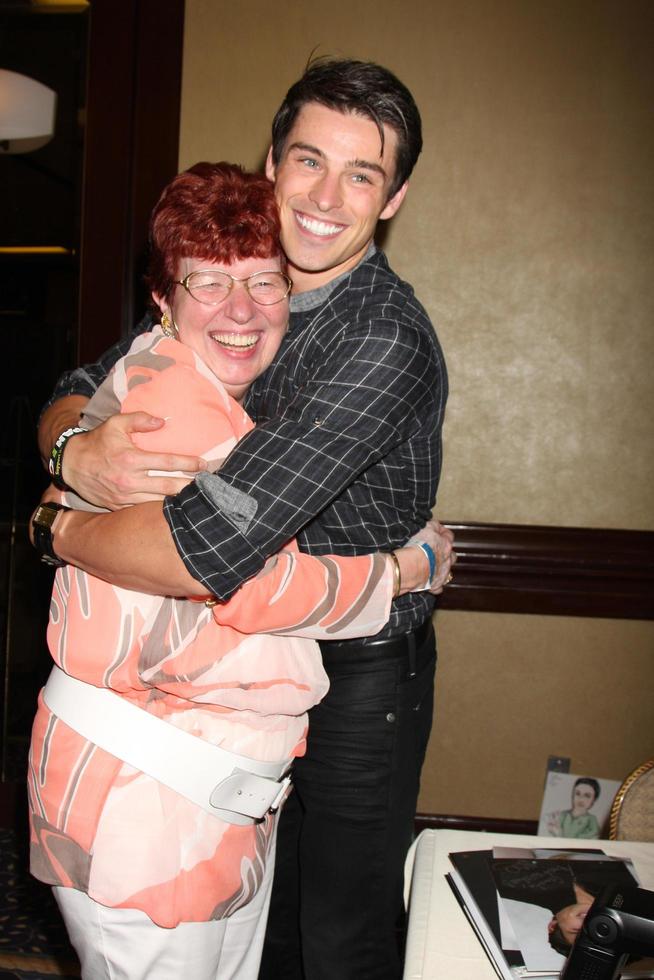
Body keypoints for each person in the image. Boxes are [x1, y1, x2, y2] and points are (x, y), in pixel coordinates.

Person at [37, 59, 453, 980]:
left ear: (394, 198)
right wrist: (72, 450)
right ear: (272, 161)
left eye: (362, 175)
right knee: (252, 933)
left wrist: (54, 530)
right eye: (308, 160)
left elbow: (212, 550)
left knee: (334, 936)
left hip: (357, 667)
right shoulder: (244, 276)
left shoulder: (377, 334)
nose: (324, 197)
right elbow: (88, 381)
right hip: (232, 675)